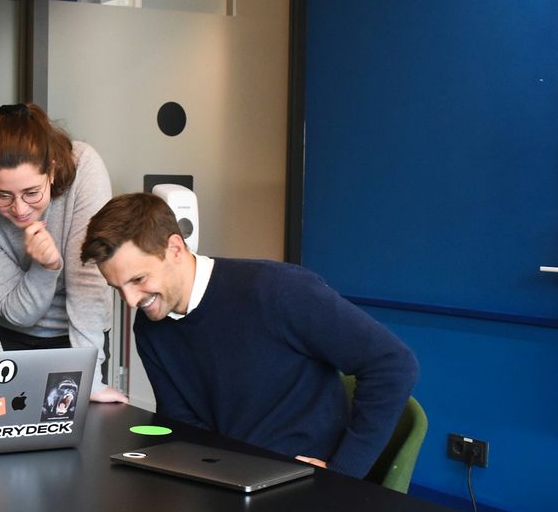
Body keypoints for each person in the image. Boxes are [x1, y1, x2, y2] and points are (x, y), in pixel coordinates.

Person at [80, 192, 419, 479]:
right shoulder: (151, 328)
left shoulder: (277, 290)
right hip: (234, 481)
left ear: (175, 249)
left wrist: (342, 473)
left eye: (138, 279)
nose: (130, 301)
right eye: (117, 288)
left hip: (307, 484)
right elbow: (184, 426)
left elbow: (392, 364)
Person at [0, 102, 127, 403]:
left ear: (53, 171)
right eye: (2, 195)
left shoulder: (84, 167)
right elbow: (18, 312)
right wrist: (46, 267)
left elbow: (89, 282)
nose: (19, 209)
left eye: (32, 193)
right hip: (9, 339)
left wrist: (90, 380)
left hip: (82, 338)